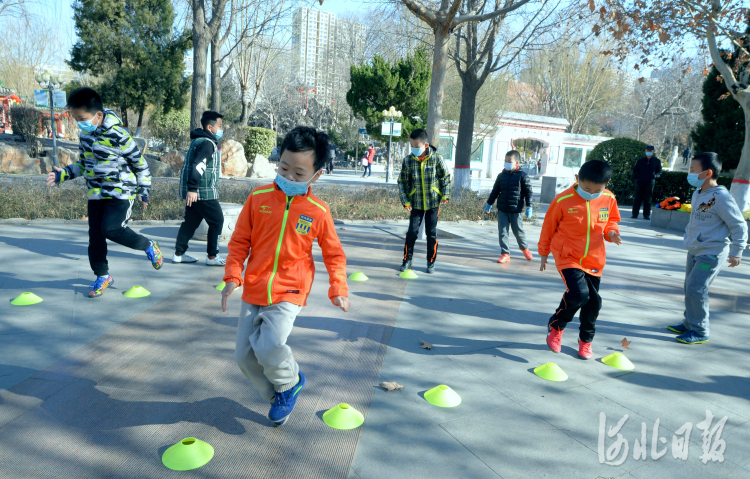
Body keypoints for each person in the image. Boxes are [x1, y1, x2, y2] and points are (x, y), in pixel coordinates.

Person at [221, 126, 350, 426]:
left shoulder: (318, 211)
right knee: (244, 357)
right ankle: (282, 393)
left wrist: (338, 288)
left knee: (268, 346)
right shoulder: (259, 197)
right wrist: (232, 277)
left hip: (291, 289)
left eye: (299, 173)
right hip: (254, 286)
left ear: (316, 175)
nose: (289, 177)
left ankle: (289, 381)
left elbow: (334, 254)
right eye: (284, 168)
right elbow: (240, 241)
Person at [45, 87, 162, 298]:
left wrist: (144, 191)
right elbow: (83, 165)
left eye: (82, 118)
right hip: (96, 194)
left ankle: (148, 245)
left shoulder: (118, 135)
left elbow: (140, 165)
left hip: (121, 192)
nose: (79, 123)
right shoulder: (85, 135)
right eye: (75, 118)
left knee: (111, 229)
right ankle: (102, 275)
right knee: (95, 237)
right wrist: (63, 174)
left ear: (98, 115)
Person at [538, 160, 622, 360]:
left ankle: (586, 341)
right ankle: (556, 326)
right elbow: (548, 227)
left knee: (594, 303)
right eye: (586, 188)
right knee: (580, 293)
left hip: (594, 259)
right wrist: (544, 253)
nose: (591, 193)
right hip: (567, 256)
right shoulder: (562, 200)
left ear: (607, 184)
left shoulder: (609, 198)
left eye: (597, 190)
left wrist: (612, 233)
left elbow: (611, 221)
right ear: (577, 179)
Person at [667, 152, 747, 345]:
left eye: (693, 170)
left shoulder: (721, 197)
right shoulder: (698, 193)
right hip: (695, 249)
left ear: (708, 172)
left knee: (697, 288)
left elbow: (739, 225)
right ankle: (689, 323)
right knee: (690, 287)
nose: (690, 173)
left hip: (711, 253)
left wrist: (737, 251)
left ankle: (700, 330)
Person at [173, 110, 226, 266]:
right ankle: (212, 256)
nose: (222, 129)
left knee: (190, 222)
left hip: (196, 191)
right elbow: (199, 166)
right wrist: (193, 188)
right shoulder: (207, 144)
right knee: (217, 221)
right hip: (202, 191)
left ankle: (179, 254)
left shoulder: (199, 140)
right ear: (210, 128)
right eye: (220, 126)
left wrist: (191, 189)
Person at [397, 129, 451, 274]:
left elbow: (445, 178)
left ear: (426, 145)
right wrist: (405, 201)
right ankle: (407, 259)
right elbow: (402, 182)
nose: (414, 149)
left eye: (416, 145)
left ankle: (431, 261)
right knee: (412, 232)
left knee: (431, 233)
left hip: (433, 203)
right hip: (416, 203)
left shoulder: (436, 159)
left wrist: (445, 195)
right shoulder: (408, 161)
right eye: (411, 145)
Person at [485, 150, 534, 263]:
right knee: (502, 232)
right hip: (502, 209)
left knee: (518, 232)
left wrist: (529, 206)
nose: (507, 163)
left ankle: (524, 247)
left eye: (509, 161)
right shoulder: (501, 176)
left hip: (516, 210)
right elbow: (495, 191)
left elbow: (528, 193)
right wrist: (489, 204)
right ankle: (505, 253)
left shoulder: (523, 176)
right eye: (505, 161)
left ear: (516, 162)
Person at [631, 145, 662, 219]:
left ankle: (646, 215)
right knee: (637, 198)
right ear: (645, 151)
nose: (649, 152)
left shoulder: (656, 161)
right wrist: (639, 177)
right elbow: (635, 170)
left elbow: (659, 171)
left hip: (650, 182)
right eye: (648, 150)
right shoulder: (641, 160)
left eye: (650, 151)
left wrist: (655, 176)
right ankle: (635, 214)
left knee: (648, 199)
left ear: (653, 151)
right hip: (640, 182)